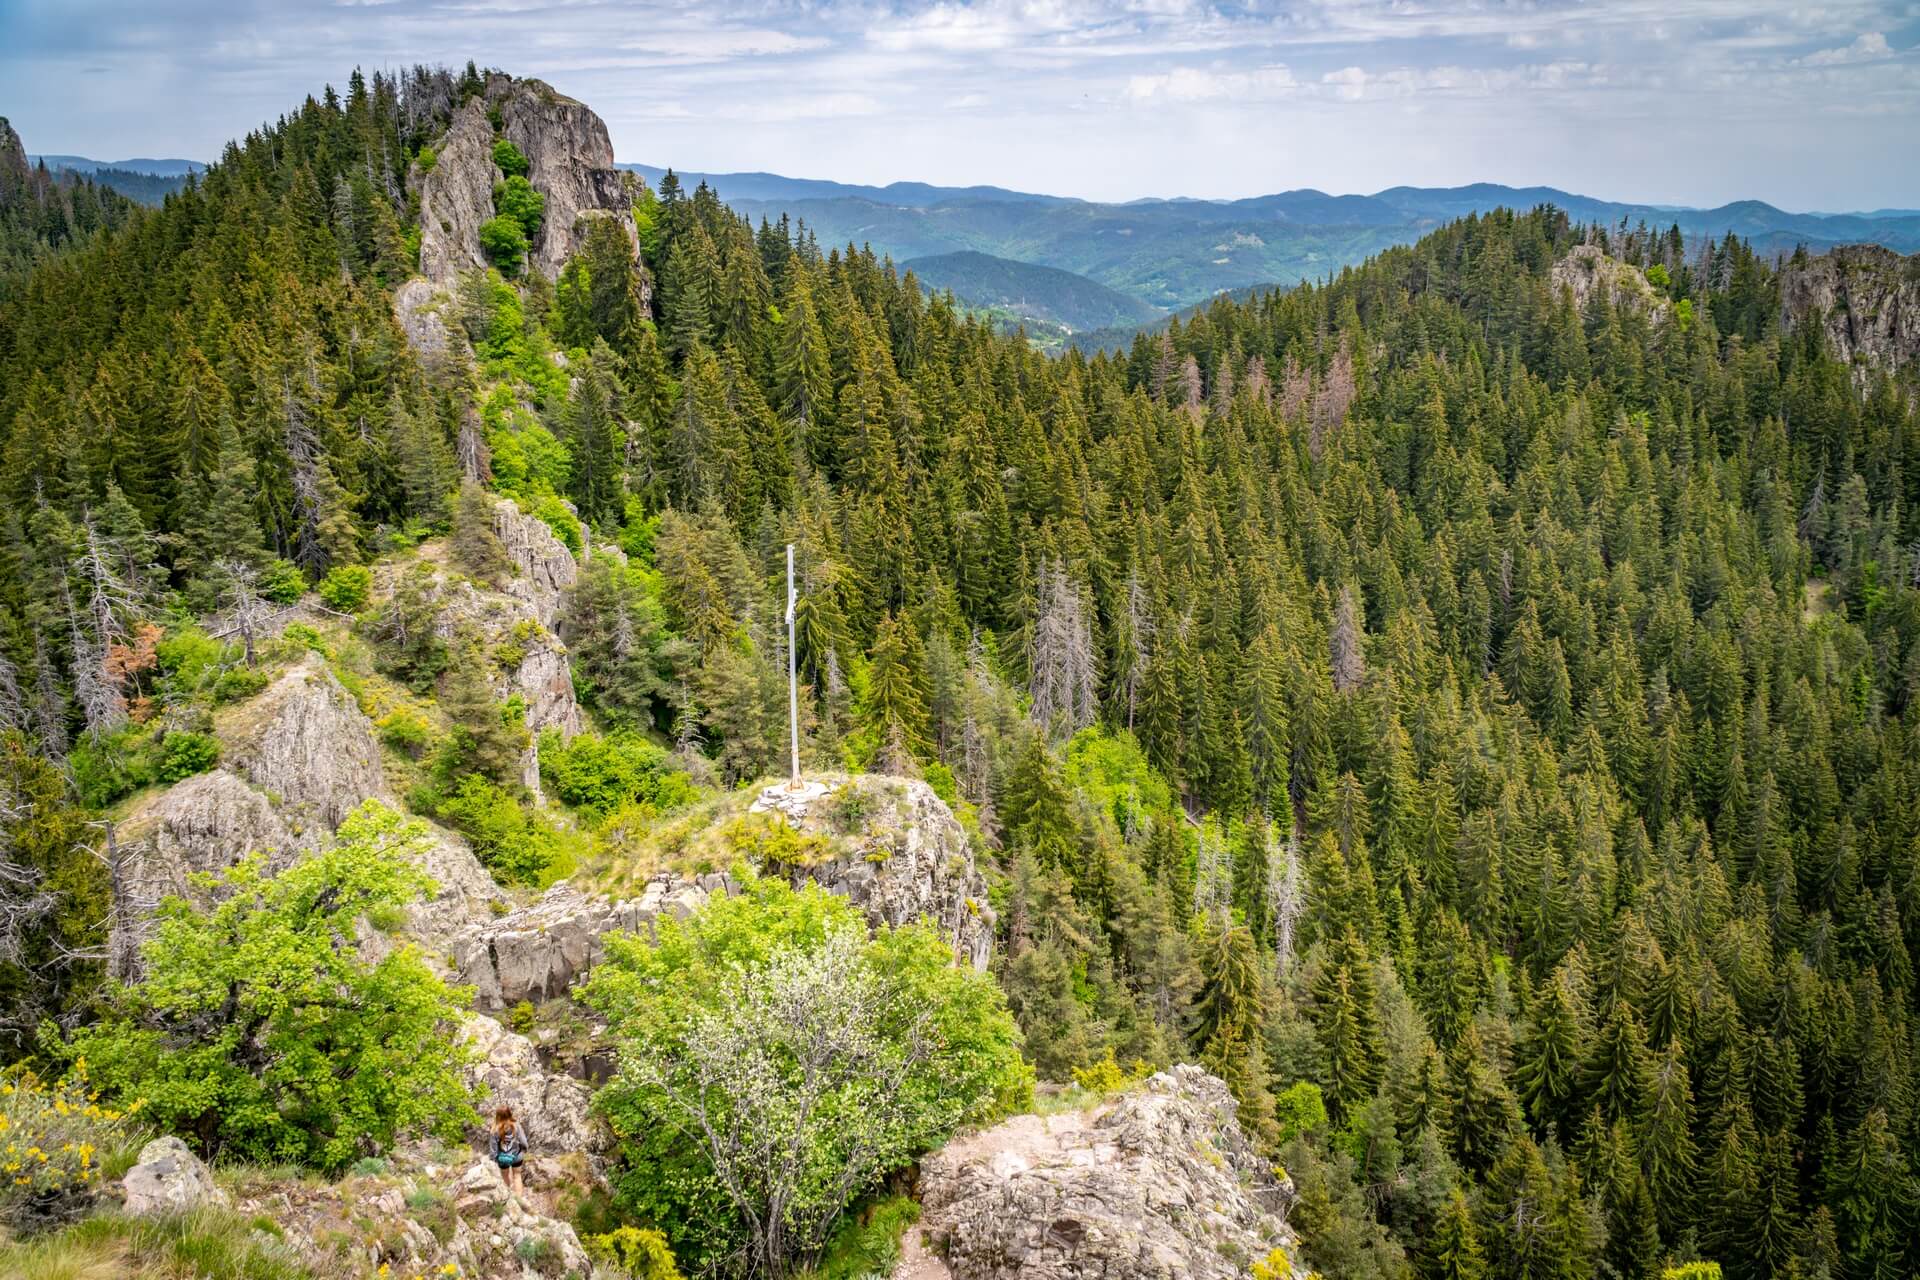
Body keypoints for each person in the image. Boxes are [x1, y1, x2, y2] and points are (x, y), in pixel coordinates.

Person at [490, 1104, 528, 1194]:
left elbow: (493, 1148)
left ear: (497, 1116)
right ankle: (519, 1200)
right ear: (509, 1114)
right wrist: (525, 1149)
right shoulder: (516, 1126)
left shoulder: (494, 1129)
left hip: (503, 1158)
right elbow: (523, 1141)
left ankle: (508, 1197)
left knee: (505, 1176)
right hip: (517, 1156)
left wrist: (493, 1160)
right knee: (517, 1176)